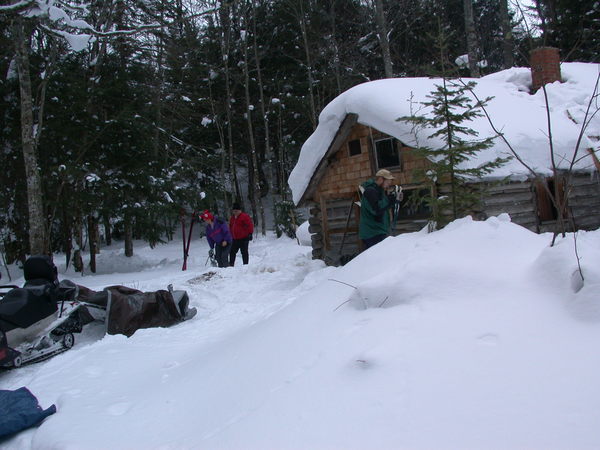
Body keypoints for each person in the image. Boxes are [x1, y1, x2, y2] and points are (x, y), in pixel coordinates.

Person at [358, 169, 403, 250]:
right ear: (381, 179)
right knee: (377, 259)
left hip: (378, 231)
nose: (389, 184)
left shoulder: (379, 191)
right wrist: (391, 198)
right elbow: (376, 209)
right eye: (388, 182)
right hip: (372, 233)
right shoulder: (370, 191)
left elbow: (383, 207)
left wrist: (394, 199)